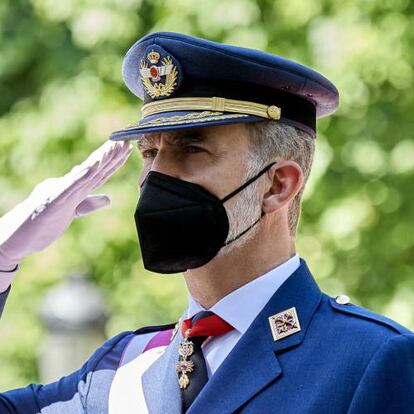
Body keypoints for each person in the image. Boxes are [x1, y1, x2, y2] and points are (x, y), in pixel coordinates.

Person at [0, 31, 413, 414]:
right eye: (149, 153)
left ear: (278, 185)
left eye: (191, 149)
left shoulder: (367, 359)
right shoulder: (122, 368)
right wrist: (3, 256)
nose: (154, 178)